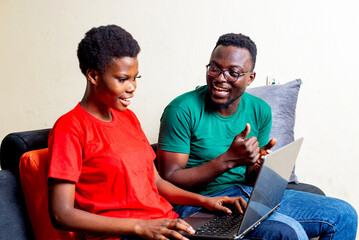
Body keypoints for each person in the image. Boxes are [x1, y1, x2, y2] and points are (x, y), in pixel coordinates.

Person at [47, 25, 248, 240]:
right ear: (94, 76)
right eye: (123, 79)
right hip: (126, 235)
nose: (132, 86)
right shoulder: (70, 128)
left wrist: (204, 201)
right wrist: (140, 227)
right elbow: (62, 214)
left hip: (166, 224)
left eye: (135, 78)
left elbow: (157, 183)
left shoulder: (128, 118)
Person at [157, 33, 358, 240]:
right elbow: (169, 178)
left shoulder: (260, 110)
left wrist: (259, 168)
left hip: (247, 196)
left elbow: (251, 177)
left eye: (233, 73)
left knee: (345, 214)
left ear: (250, 78)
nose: (219, 78)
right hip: (199, 203)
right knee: (290, 232)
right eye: (214, 68)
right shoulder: (182, 110)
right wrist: (228, 160)